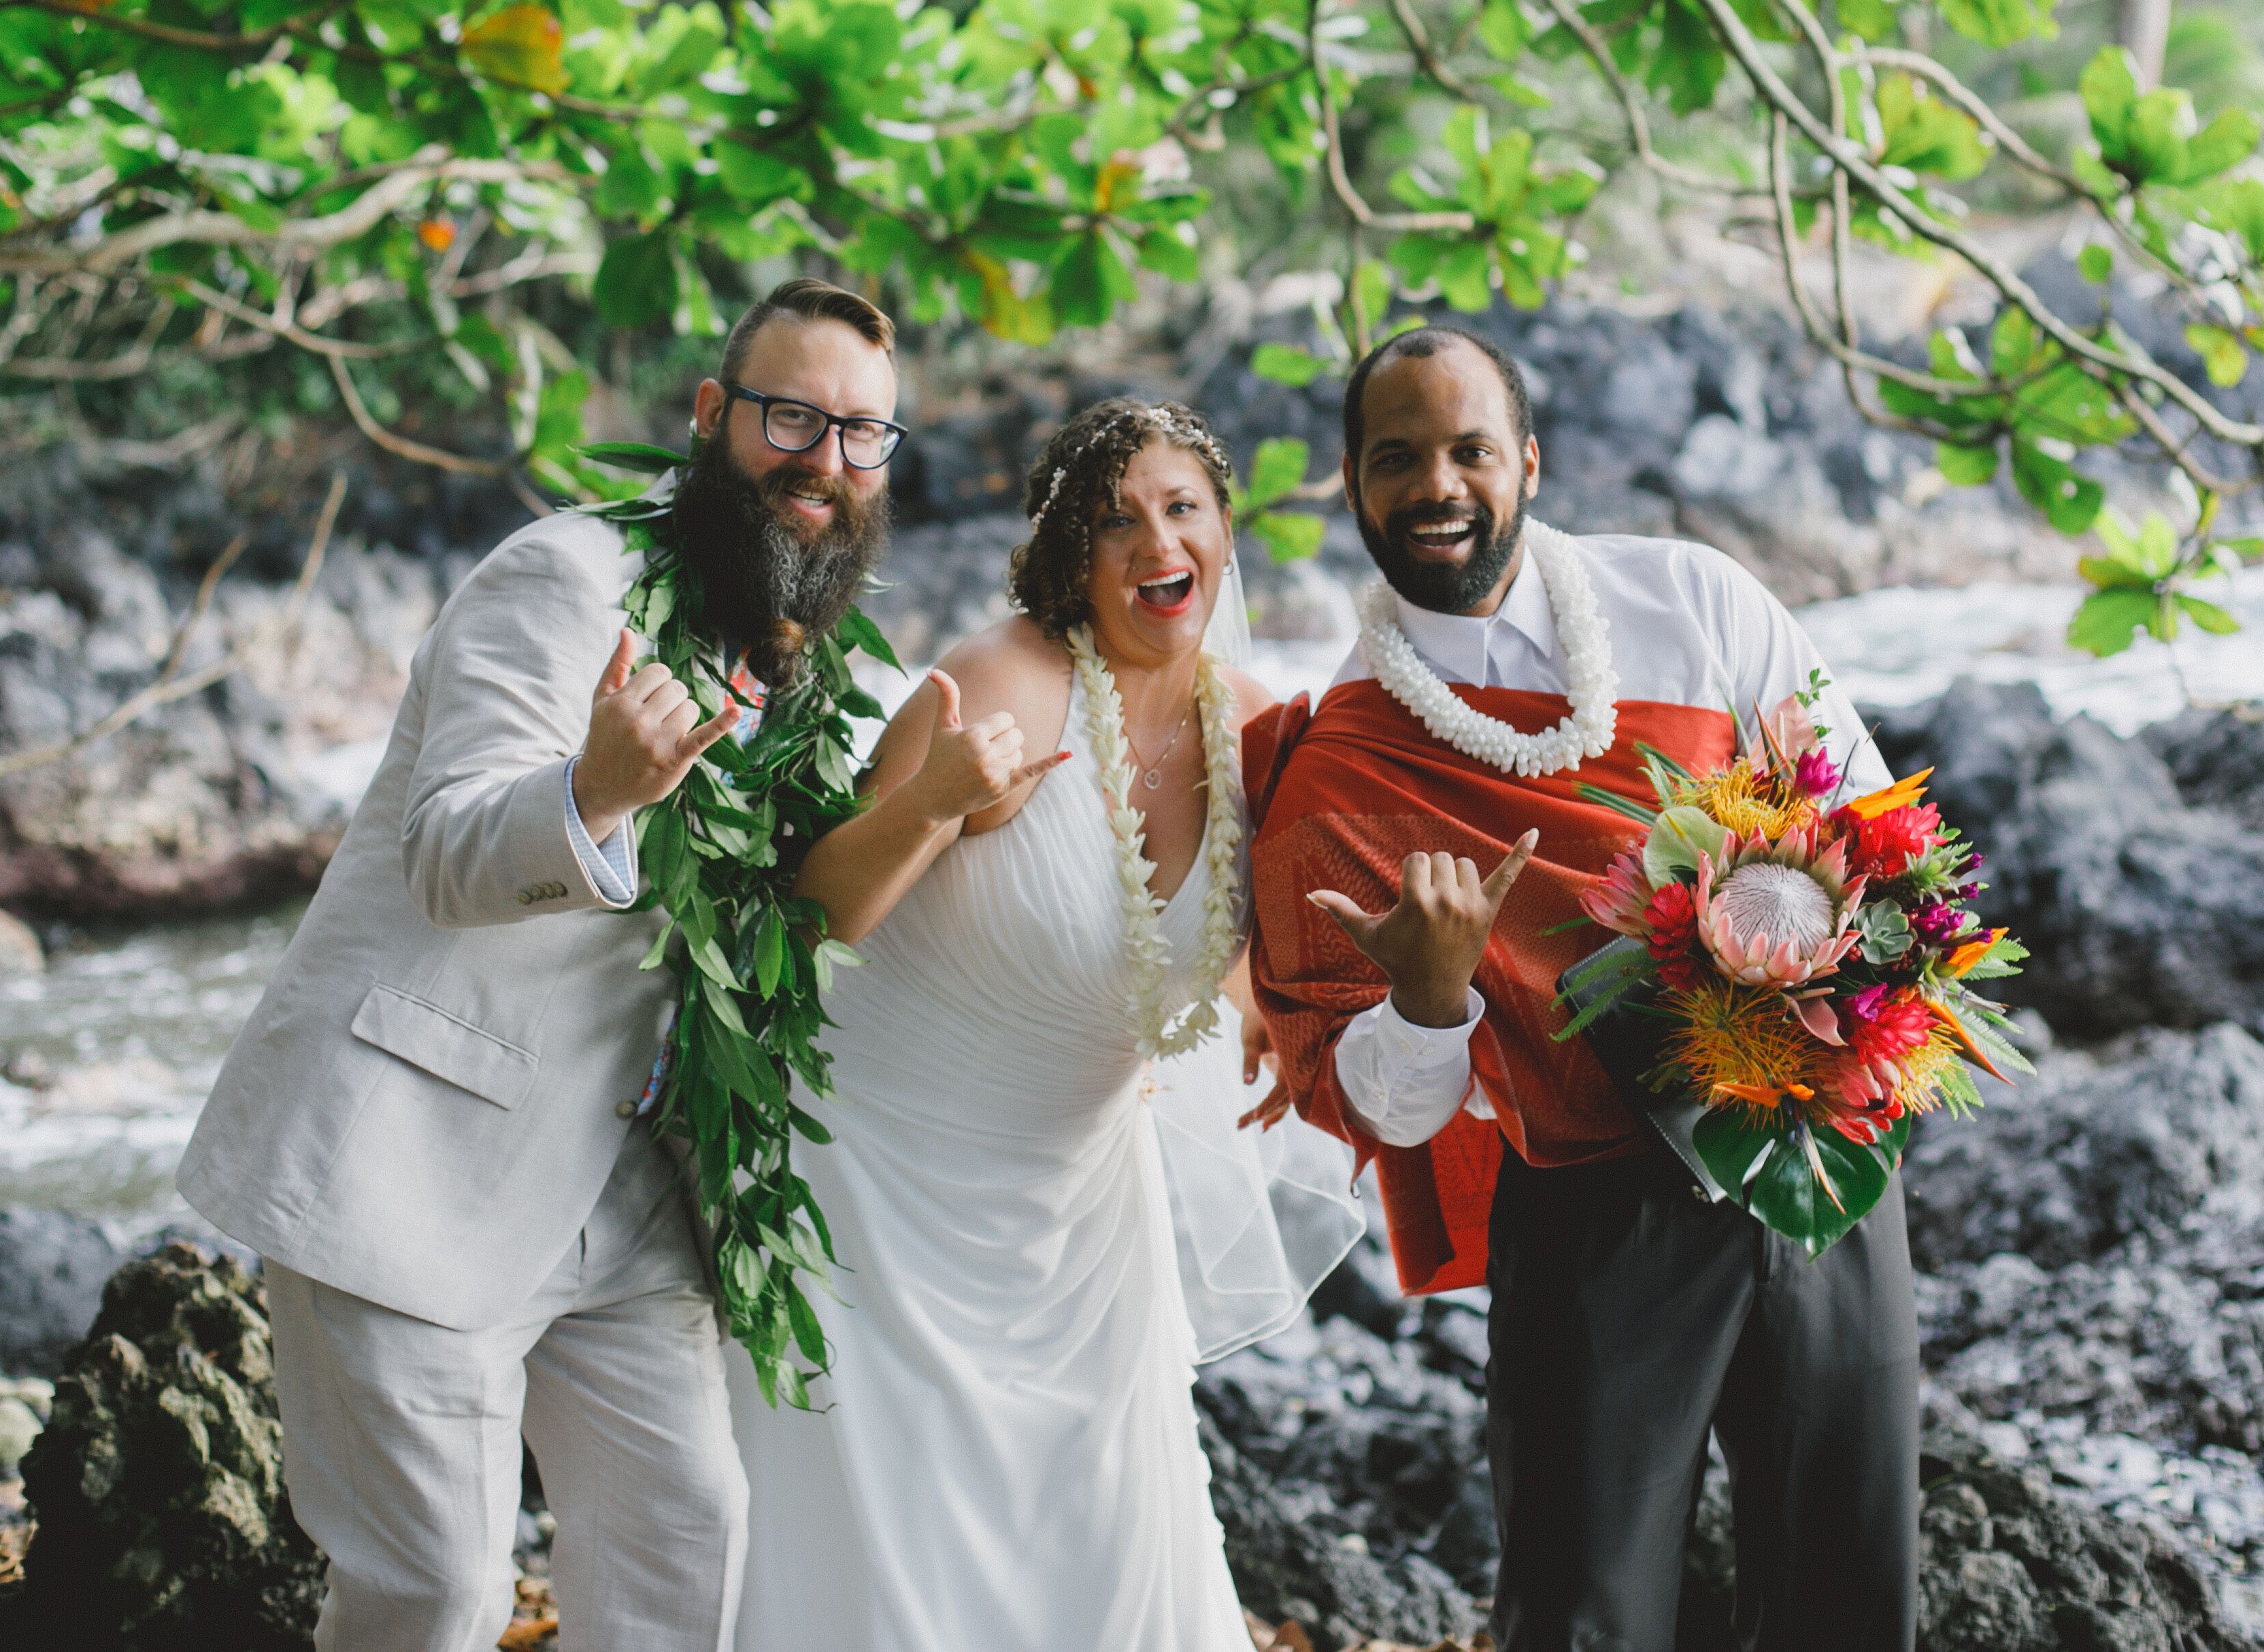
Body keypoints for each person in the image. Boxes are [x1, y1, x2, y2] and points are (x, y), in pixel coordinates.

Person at [177, 277, 905, 1652]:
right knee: (432, 1594)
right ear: (711, 417)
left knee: (691, 1547)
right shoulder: (562, 579)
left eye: (863, 432)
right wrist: (599, 785)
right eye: (793, 415)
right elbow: (450, 851)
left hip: (628, 1186)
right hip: (415, 1160)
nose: (826, 458)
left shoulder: (803, 658)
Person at [1246, 326, 1916, 1652]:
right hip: (1595, 1206)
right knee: (1580, 1609)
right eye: (1399, 457)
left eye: (1469, 448)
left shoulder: (1695, 599)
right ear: (1352, 483)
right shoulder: (1338, 773)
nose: (1438, 482)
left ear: (1529, 461)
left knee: (1851, 1576)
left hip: (1821, 1154)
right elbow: (1373, 1104)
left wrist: (1828, 1003)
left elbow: (1868, 815)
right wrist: (1432, 998)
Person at [727, 397, 1359, 1652]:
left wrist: (1269, 1023)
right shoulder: (995, 684)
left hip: (1076, 1204)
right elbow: (806, 924)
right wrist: (941, 802)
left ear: (1223, 536)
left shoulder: (1260, 728)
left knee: (1102, 1539)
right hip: (878, 1177)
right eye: (1113, 521)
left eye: (1180, 509)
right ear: (1071, 555)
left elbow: (1228, 941)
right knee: (901, 1560)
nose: (1152, 544)